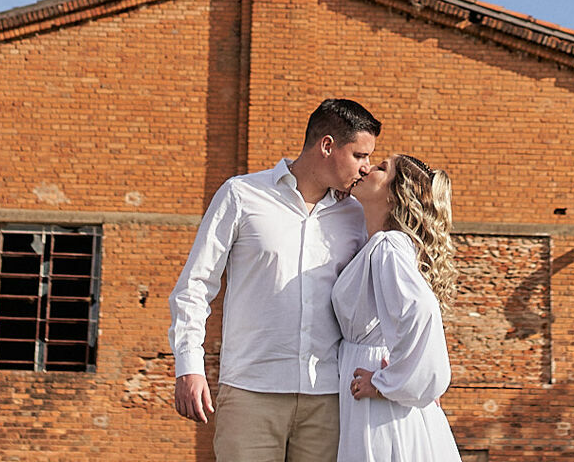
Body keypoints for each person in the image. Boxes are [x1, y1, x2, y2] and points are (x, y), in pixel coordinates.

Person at [170, 98, 381, 461]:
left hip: (328, 397)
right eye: (359, 155)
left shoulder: (357, 215)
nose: (366, 167)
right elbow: (195, 286)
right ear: (327, 146)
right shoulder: (241, 195)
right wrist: (189, 366)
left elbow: (377, 298)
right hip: (250, 391)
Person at [335, 154, 461, 462]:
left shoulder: (388, 246)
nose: (367, 168)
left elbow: (422, 311)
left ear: (395, 195)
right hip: (374, 388)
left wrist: (387, 384)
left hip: (377, 398)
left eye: (381, 169)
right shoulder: (381, 246)